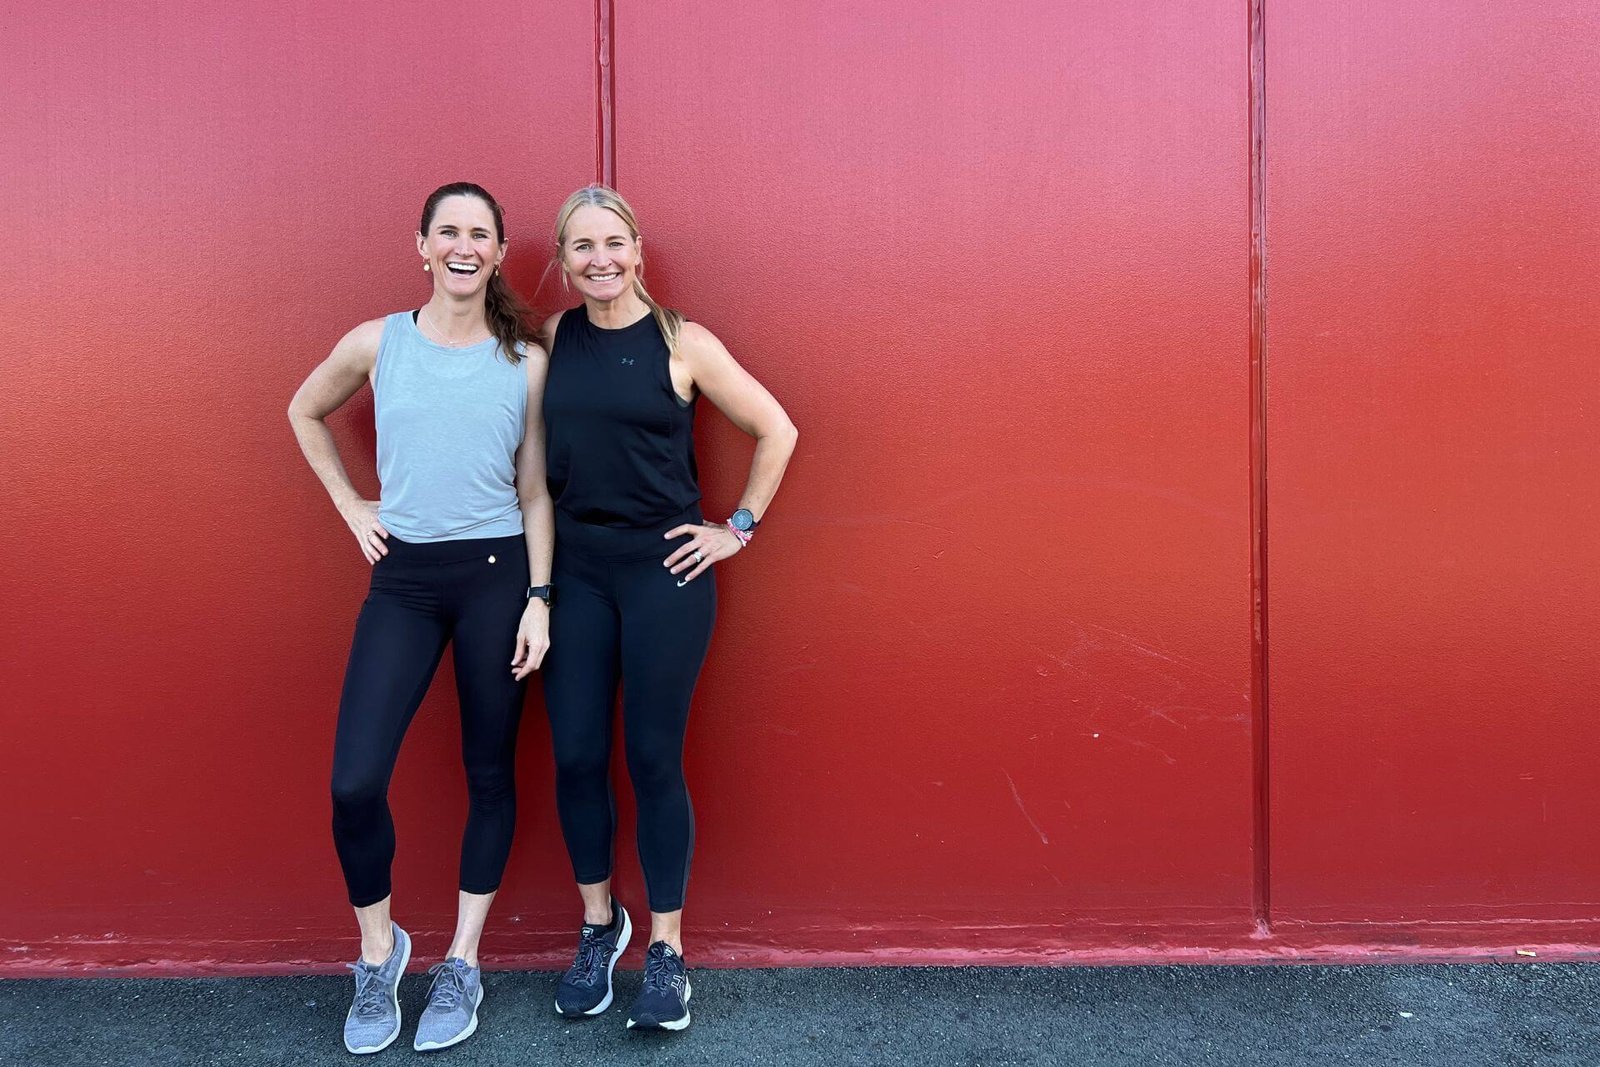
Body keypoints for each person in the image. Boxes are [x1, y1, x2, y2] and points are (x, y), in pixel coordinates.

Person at [287, 182, 552, 1054]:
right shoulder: (377, 342)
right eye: (449, 231)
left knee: (488, 773)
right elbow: (304, 409)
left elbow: (534, 490)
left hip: (495, 577)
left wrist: (540, 600)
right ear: (423, 245)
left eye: (481, 233)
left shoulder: (527, 357)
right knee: (353, 781)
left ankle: (463, 959)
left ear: (500, 250)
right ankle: (379, 951)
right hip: (402, 582)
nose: (464, 245)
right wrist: (351, 503)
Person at [539, 184, 798, 1032]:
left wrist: (738, 528)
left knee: (652, 759)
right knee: (576, 755)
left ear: (638, 250)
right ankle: (596, 927)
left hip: (664, 574)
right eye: (582, 247)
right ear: (563, 259)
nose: (600, 260)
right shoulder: (552, 340)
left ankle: (668, 949)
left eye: (613, 243)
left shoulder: (683, 343)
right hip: (576, 571)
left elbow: (778, 428)